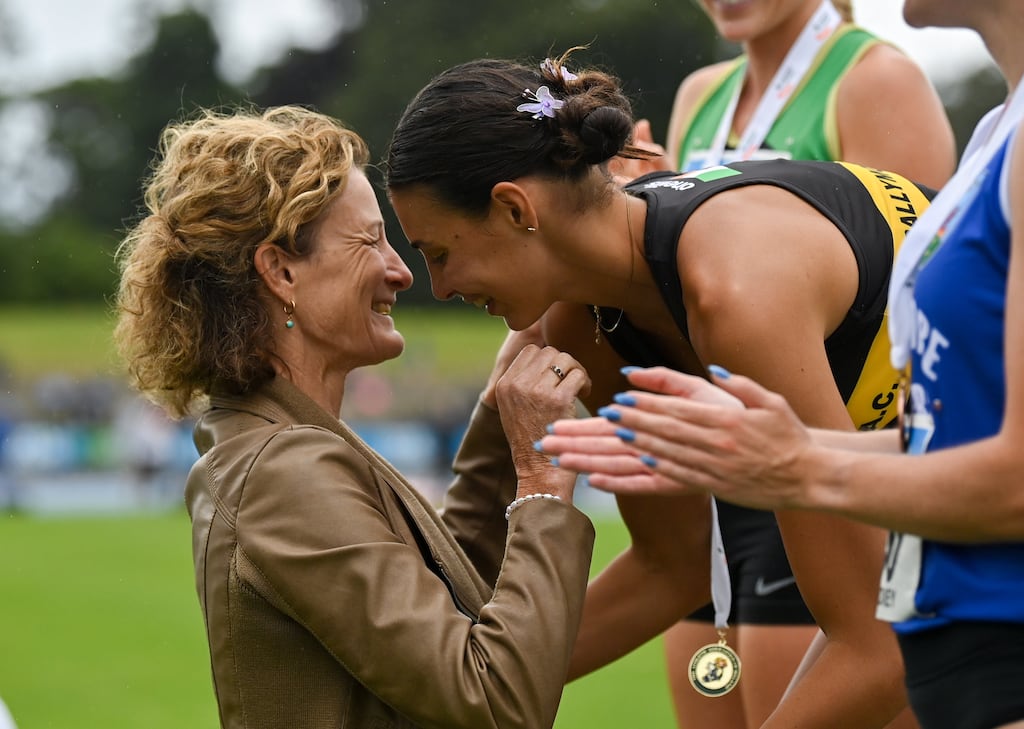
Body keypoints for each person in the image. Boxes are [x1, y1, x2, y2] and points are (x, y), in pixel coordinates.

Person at [385, 50, 938, 728]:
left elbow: (880, 646)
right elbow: (671, 564)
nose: (439, 288)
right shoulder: (583, 318)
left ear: (514, 207)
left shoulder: (735, 291)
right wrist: (449, 689)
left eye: (439, 252)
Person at [539, 1, 1024, 727]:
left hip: (841, 479)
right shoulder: (705, 91)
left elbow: (920, 336)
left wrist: (809, 462)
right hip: (753, 462)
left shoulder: (875, 79)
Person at [112, 104, 597, 729]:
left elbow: (454, 587)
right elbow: (494, 701)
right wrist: (541, 482)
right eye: (371, 239)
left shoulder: (283, 442)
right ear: (281, 270)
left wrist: (504, 400)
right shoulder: (283, 471)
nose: (401, 271)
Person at [618, 0, 955, 725]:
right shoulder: (700, 93)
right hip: (721, 477)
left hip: (827, 475)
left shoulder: (874, 79)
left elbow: (922, 306)